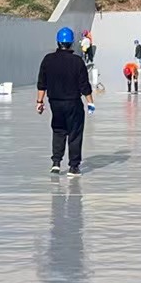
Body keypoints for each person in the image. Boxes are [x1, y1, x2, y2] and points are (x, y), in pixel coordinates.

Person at [36, 27, 95, 175]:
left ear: (58, 42)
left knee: (58, 130)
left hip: (55, 103)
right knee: (75, 133)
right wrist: (90, 102)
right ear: (71, 43)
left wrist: (39, 102)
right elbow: (84, 85)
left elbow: (42, 83)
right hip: (73, 103)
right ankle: (73, 166)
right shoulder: (77, 61)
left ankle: (56, 163)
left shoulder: (48, 59)